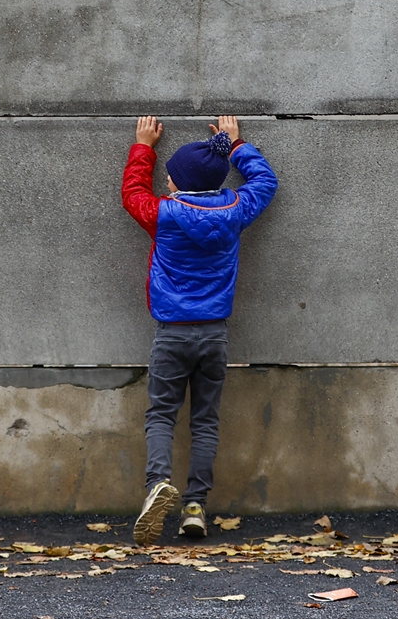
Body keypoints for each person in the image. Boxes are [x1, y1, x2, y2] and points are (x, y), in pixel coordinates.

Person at [122, 115, 277, 544]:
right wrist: (235, 145)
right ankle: (195, 505)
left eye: (170, 177)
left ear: (178, 184)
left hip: (171, 333)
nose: (165, 181)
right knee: (205, 420)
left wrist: (143, 147)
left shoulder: (164, 214)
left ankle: (157, 485)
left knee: (161, 415)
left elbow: (132, 193)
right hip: (214, 335)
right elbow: (265, 183)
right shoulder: (235, 211)